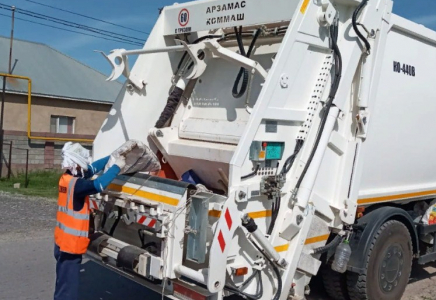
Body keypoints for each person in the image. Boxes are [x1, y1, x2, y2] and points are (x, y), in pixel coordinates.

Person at [54, 142, 127, 300]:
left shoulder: (67, 179)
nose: (85, 169)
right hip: (71, 246)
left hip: (61, 242)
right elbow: (99, 184)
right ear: (77, 165)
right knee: (68, 290)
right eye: (82, 166)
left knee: (63, 283)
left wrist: (112, 157)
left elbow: (93, 168)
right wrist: (117, 167)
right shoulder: (78, 185)